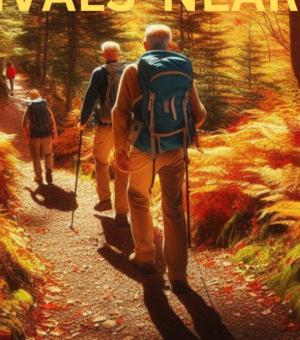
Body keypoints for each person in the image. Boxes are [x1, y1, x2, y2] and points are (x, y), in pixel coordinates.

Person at [112, 24, 205, 295]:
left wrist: (120, 150)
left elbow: (120, 113)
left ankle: (145, 257)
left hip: (144, 149)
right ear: (169, 45)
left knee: (139, 197)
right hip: (176, 148)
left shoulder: (133, 70)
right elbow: (198, 114)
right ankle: (178, 276)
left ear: (144, 45)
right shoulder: (182, 69)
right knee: (173, 209)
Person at [77, 41, 130, 226]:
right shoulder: (128, 70)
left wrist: (83, 121)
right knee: (123, 165)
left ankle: (105, 199)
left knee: (101, 160)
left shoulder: (99, 72)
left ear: (104, 56)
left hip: (105, 124)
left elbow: (90, 98)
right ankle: (122, 212)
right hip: (125, 127)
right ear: (118, 54)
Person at [22, 89, 57, 185]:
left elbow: (24, 124)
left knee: (36, 156)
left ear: (30, 98)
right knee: (48, 154)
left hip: (35, 137)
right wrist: (54, 138)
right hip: (46, 135)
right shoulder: (46, 107)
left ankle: (38, 176)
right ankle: (49, 169)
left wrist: (28, 139)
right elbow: (53, 122)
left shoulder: (29, 109)